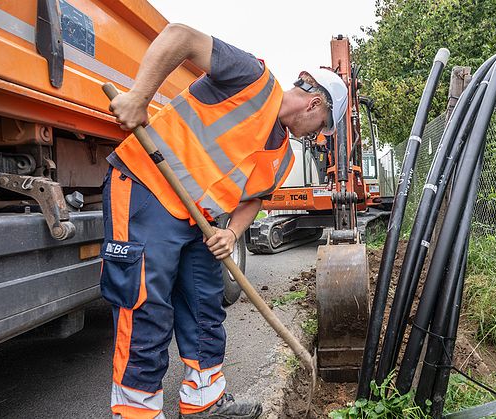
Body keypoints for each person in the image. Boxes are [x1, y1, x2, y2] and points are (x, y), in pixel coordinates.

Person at [102, 23, 347, 419]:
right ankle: (136, 412)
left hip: (201, 220)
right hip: (148, 186)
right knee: (145, 305)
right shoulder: (252, 78)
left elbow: (252, 201)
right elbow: (179, 36)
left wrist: (230, 233)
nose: (315, 136)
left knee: (206, 307)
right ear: (314, 106)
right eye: (319, 129)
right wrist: (139, 97)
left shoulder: (283, 155)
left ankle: (205, 402)